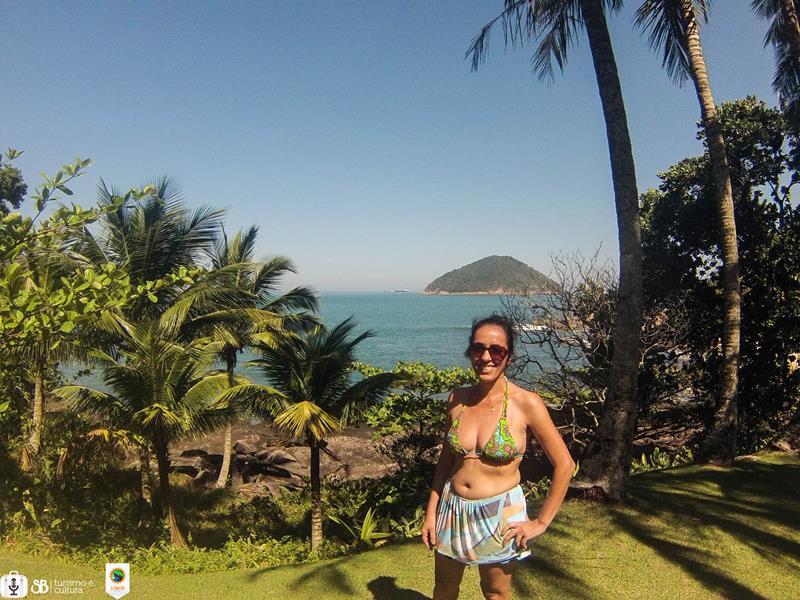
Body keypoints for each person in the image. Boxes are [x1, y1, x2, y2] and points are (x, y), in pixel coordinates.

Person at [421, 314, 575, 600]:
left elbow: (565, 464)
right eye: (478, 349)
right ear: (470, 352)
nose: (486, 357)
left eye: (496, 350)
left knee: (495, 592)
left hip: (499, 514)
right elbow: (445, 462)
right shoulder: (457, 399)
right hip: (452, 508)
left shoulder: (526, 403)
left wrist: (541, 522)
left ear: (509, 357)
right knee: (444, 588)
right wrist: (431, 512)